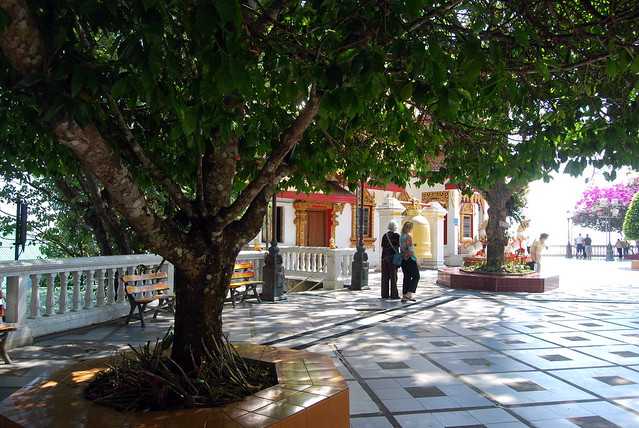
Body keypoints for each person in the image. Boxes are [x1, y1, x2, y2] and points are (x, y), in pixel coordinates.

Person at [400, 221, 419, 302]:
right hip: (410, 259)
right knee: (416, 276)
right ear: (409, 228)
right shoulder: (408, 236)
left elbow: (402, 248)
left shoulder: (401, 237)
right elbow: (410, 249)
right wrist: (416, 260)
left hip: (403, 259)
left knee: (406, 277)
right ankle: (409, 293)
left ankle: (404, 295)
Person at [380, 221, 400, 300]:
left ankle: (384, 294)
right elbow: (399, 246)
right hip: (393, 259)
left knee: (385, 277)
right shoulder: (396, 235)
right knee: (393, 277)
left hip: (384, 258)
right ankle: (394, 295)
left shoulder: (385, 236)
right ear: (395, 227)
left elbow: (383, 247)